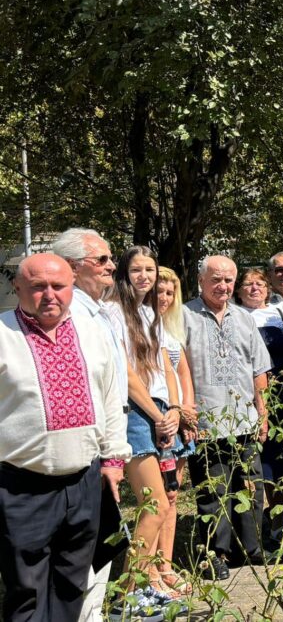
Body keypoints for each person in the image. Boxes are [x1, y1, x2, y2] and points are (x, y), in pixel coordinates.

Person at [0, 254, 129, 622]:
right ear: (18, 288)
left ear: (72, 287)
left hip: (84, 482)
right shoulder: (2, 334)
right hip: (20, 485)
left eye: (58, 286)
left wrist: (114, 458)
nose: (49, 295)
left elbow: (110, 397)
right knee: (26, 590)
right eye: (38, 286)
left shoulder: (92, 332)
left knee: (72, 584)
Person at [102, 247, 190, 609]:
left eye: (149, 269)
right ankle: (128, 594)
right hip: (136, 415)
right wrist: (156, 414)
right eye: (136, 270)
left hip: (159, 413)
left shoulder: (149, 312)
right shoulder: (112, 312)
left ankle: (145, 584)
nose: (144, 276)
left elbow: (164, 366)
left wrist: (173, 410)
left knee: (166, 502)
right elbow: (125, 372)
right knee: (152, 504)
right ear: (124, 273)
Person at [50, 228, 131, 621]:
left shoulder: (97, 311)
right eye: (101, 260)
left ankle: (92, 613)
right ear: (72, 267)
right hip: (88, 449)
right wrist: (106, 452)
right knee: (87, 548)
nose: (111, 266)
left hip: (107, 443)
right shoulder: (71, 317)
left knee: (100, 544)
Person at [184, 255, 272, 579]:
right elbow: (175, 370)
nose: (223, 286)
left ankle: (252, 547)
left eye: (228, 280)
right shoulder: (183, 316)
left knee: (250, 486)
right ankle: (214, 554)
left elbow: (259, 369)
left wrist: (262, 413)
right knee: (213, 490)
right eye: (216, 279)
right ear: (201, 281)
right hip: (205, 419)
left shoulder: (245, 318)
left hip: (244, 418)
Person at [236, 268, 283, 536]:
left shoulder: (279, 314)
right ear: (239, 291)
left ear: (268, 288)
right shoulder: (236, 317)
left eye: (260, 283)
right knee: (266, 459)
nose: (254, 288)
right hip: (249, 396)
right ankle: (274, 518)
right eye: (248, 284)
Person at [154, 266, 197, 596]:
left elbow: (184, 375)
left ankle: (165, 566)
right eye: (159, 290)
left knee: (172, 496)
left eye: (170, 292)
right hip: (157, 421)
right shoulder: (137, 325)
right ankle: (148, 571)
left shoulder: (172, 329)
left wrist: (189, 413)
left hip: (180, 421)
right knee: (154, 499)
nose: (164, 297)